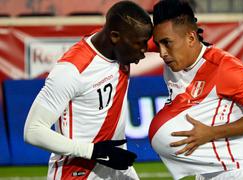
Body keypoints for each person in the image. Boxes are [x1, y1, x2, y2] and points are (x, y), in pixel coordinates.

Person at [23, 1, 152, 179]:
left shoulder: (122, 46)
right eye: (141, 44)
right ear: (115, 36)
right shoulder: (72, 70)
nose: (145, 50)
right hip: (77, 171)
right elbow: (33, 130)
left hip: (116, 164)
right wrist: (94, 152)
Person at [148, 0, 243, 179]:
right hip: (207, 173)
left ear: (191, 38)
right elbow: (128, 41)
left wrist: (212, 133)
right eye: (158, 44)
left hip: (237, 173)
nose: (161, 53)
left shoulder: (225, 68)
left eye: (166, 43)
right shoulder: (173, 49)